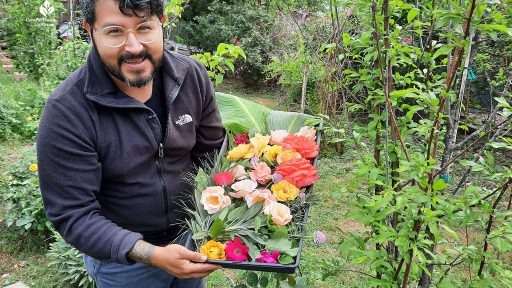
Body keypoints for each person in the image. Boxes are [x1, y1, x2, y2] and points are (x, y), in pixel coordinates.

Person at [36, 0, 224, 287]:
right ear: (90, 31)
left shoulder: (192, 77)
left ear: (162, 23)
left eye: (145, 27)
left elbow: (212, 153)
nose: (134, 47)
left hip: (190, 238)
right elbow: (74, 214)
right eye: (114, 31)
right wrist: (152, 254)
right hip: (125, 264)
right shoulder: (68, 110)